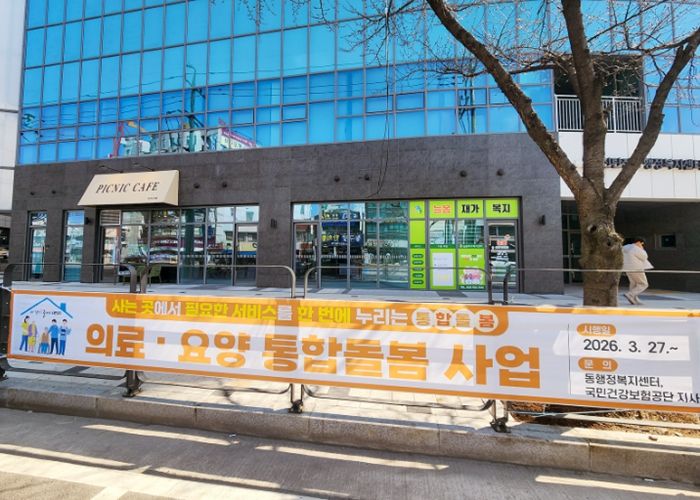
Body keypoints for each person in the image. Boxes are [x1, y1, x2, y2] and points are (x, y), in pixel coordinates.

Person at [622, 237, 653, 305]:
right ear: (639, 242)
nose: (642, 245)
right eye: (642, 244)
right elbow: (644, 257)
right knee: (643, 284)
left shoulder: (625, 247)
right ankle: (630, 294)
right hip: (637, 268)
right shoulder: (636, 248)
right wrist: (642, 249)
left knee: (634, 284)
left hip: (627, 268)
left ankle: (633, 299)